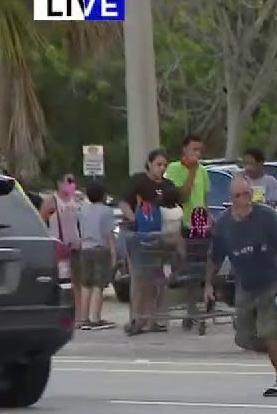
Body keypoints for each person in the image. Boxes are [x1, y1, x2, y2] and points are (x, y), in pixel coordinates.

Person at [205, 175, 277, 398]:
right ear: (231, 199)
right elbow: (215, 257)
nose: (243, 200)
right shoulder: (224, 224)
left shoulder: (267, 216)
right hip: (246, 285)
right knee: (245, 338)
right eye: (238, 196)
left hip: (272, 281)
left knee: (268, 331)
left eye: (247, 194)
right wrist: (208, 284)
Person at [122, 149, 177, 334]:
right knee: (139, 280)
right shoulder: (138, 181)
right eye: (158, 164)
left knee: (157, 281)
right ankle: (136, 318)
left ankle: (153, 319)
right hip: (139, 238)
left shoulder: (168, 185)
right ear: (149, 164)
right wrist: (135, 220)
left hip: (160, 239)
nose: (161, 168)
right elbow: (124, 202)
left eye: (164, 165)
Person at [165, 134, 211, 329]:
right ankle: (190, 309)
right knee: (186, 267)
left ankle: (195, 309)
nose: (197, 154)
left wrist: (208, 219)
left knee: (199, 269)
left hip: (199, 222)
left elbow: (204, 198)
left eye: (200, 150)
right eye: (194, 149)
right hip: (182, 222)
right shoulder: (174, 169)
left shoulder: (203, 171)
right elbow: (181, 196)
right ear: (185, 149)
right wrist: (191, 172)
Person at [39, 175, 85, 320]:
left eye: (73, 181)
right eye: (68, 181)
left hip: (76, 246)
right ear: (59, 183)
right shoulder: (52, 201)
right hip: (59, 248)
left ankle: (79, 315)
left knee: (78, 281)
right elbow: (42, 221)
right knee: (61, 281)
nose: (71, 185)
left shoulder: (76, 200)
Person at [77, 180, 117, 330]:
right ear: (103, 195)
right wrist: (114, 254)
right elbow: (109, 234)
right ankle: (95, 318)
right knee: (98, 284)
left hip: (85, 248)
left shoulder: (82, 210)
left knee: (85, 284)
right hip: (100, 249)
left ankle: (83, 318)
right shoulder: (106, 211)